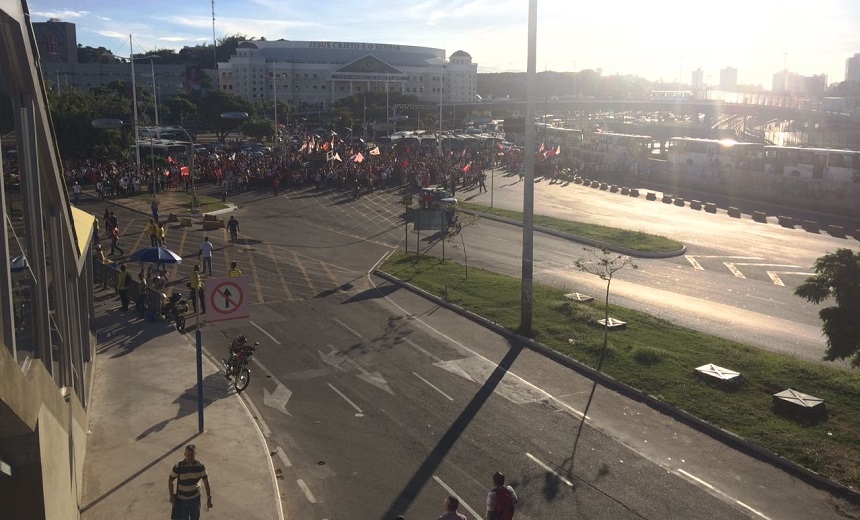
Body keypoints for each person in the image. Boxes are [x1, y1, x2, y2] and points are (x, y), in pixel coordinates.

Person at [168, 444, 212, 520]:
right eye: (188, 455)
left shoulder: (200, 467)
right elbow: (170, 480)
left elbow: (206, 483)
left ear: (195, 454)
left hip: (195, 499)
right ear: (185, 454)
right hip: (181, 500)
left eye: (192, 455)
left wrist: (209, 498)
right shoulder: (178, 466)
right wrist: (171, 495)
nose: (190, 457)